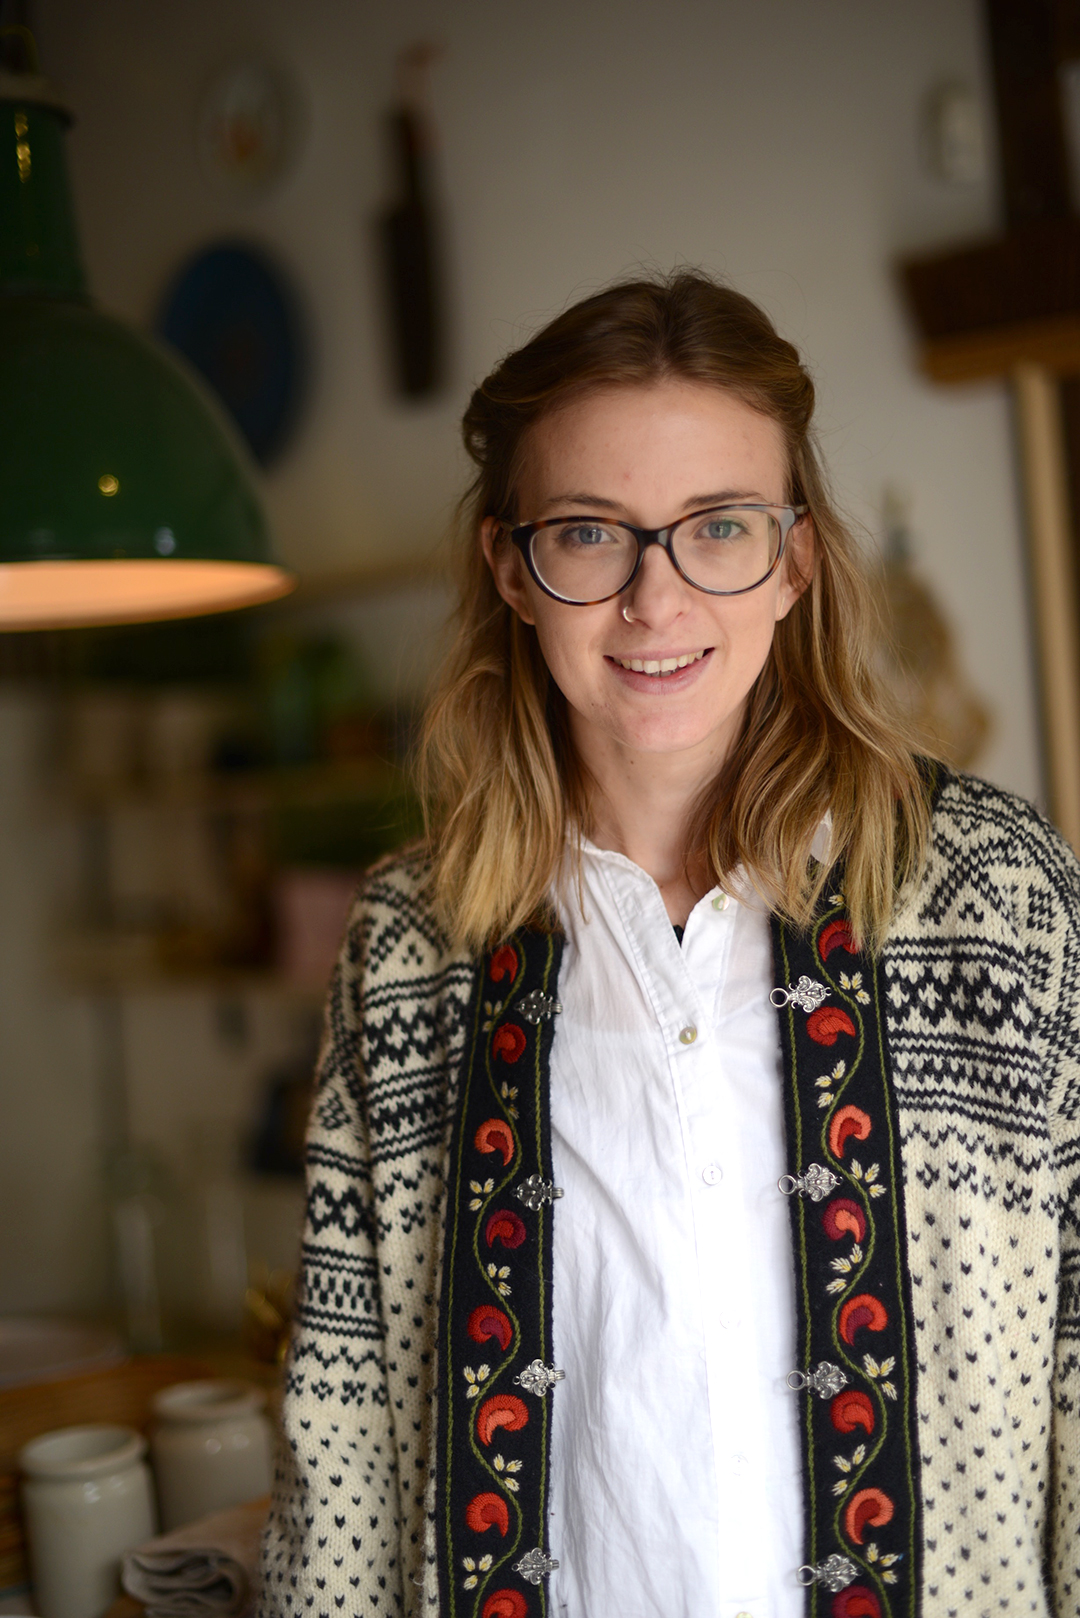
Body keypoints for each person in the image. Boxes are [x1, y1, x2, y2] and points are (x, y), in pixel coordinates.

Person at [258, 273, 1080, 1618]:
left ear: (794, 560)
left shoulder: (995, 894)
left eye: (720, 527)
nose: (656, 598)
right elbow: (342, 1422)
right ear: (512, 570)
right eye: (590, 533)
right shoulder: (410, 943)